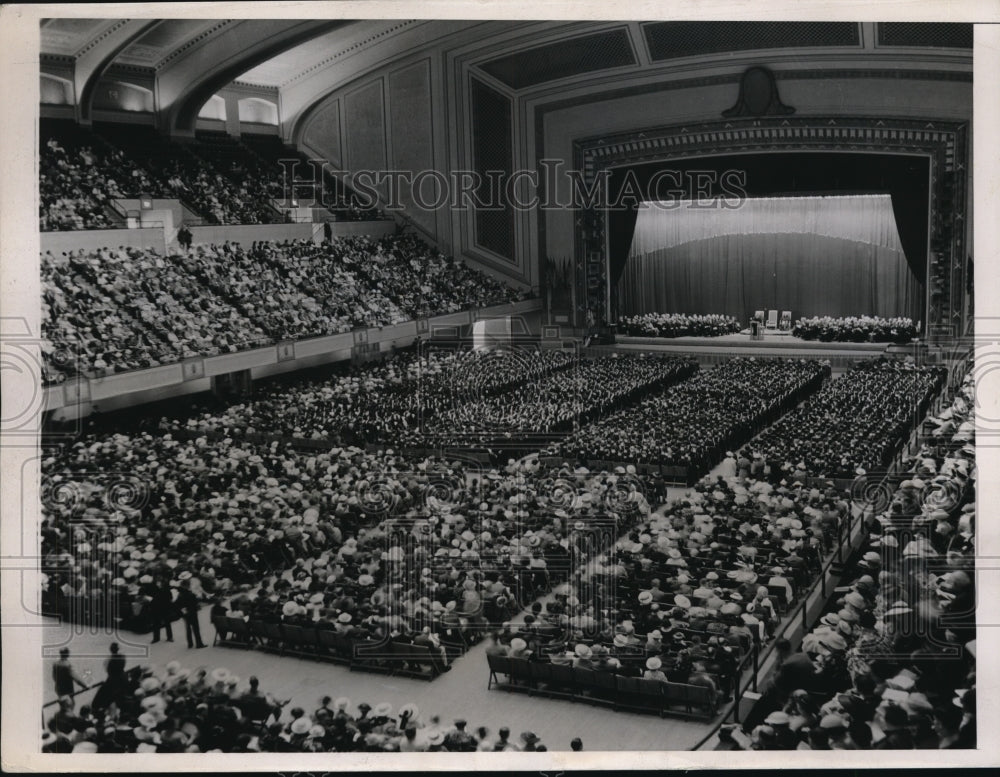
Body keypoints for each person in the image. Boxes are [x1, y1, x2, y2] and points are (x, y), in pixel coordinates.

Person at [91, 642, 127, 711]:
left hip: (113, 679)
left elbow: (106, 670)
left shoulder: (108, 660)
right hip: (122, 677)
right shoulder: (123, 657)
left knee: (104, 695)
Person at [176, 579, 206, 648]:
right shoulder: (190, 594)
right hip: (192, 613)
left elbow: (178, 605)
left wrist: (183, 612)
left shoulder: (180, 594)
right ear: (187, 585)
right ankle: (199, 643)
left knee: (188, 628)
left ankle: (190, 643)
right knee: (196, 628)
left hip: (185, 613)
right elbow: (194, 603)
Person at [146, 576, 174, 644]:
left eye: (159, 581)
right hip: (155, 607)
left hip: (164, 607)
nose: (158, 583)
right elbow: (149, 595)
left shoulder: (166, 587)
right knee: (156, 623)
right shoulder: (152, 587)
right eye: (157, 581)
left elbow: (170, 596)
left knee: (167, 622)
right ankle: (156, 638)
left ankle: (169, 637)